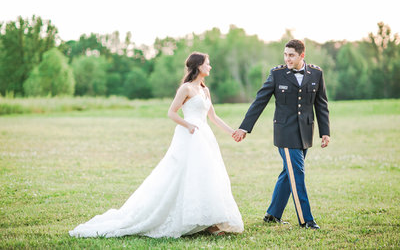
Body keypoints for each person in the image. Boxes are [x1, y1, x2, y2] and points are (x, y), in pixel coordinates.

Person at [69, 52, 244, 238]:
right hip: (190, 136)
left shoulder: (204, 90)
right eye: (207, 64)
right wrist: (188, 125)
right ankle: (190, 218)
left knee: (207, 174)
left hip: (205, 138)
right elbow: (172, 113)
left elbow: (213, 117)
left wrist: (232, 131)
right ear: (198, 66)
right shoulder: (186, 89)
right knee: (182, 175)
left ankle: (210, 220)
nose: (210, 67)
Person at [232, 39, 330, 230]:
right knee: (298, 174)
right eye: (285, 54)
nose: (287, 59)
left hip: (305, 133)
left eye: (291, 55)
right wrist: (244, 127)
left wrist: (324, 132)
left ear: (302, 55)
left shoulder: (316, 73)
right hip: (285, 133)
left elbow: (321, 104)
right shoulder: (277, 74)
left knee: (289, 173)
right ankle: (306, 220)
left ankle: (272, 214)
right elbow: (260, 101)